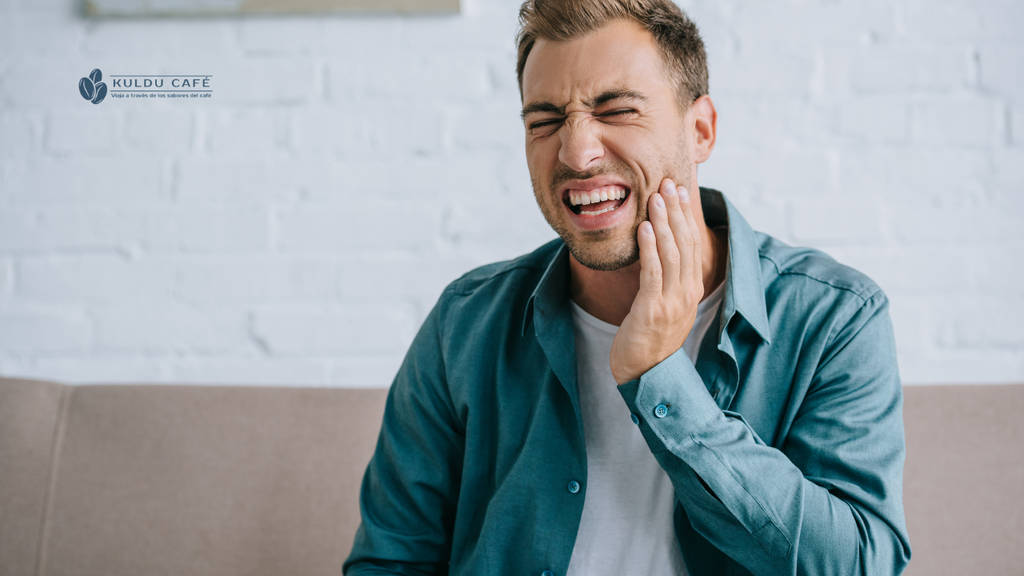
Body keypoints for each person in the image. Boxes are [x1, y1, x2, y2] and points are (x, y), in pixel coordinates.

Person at [344, 1, 911, 574]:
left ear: (700, 131)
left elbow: (857, 564)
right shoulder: (465, 323)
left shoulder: (835, 318)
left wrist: (661, 379)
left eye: (615, 110)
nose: (576, 152)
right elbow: (389, 561)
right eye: (544, 121)